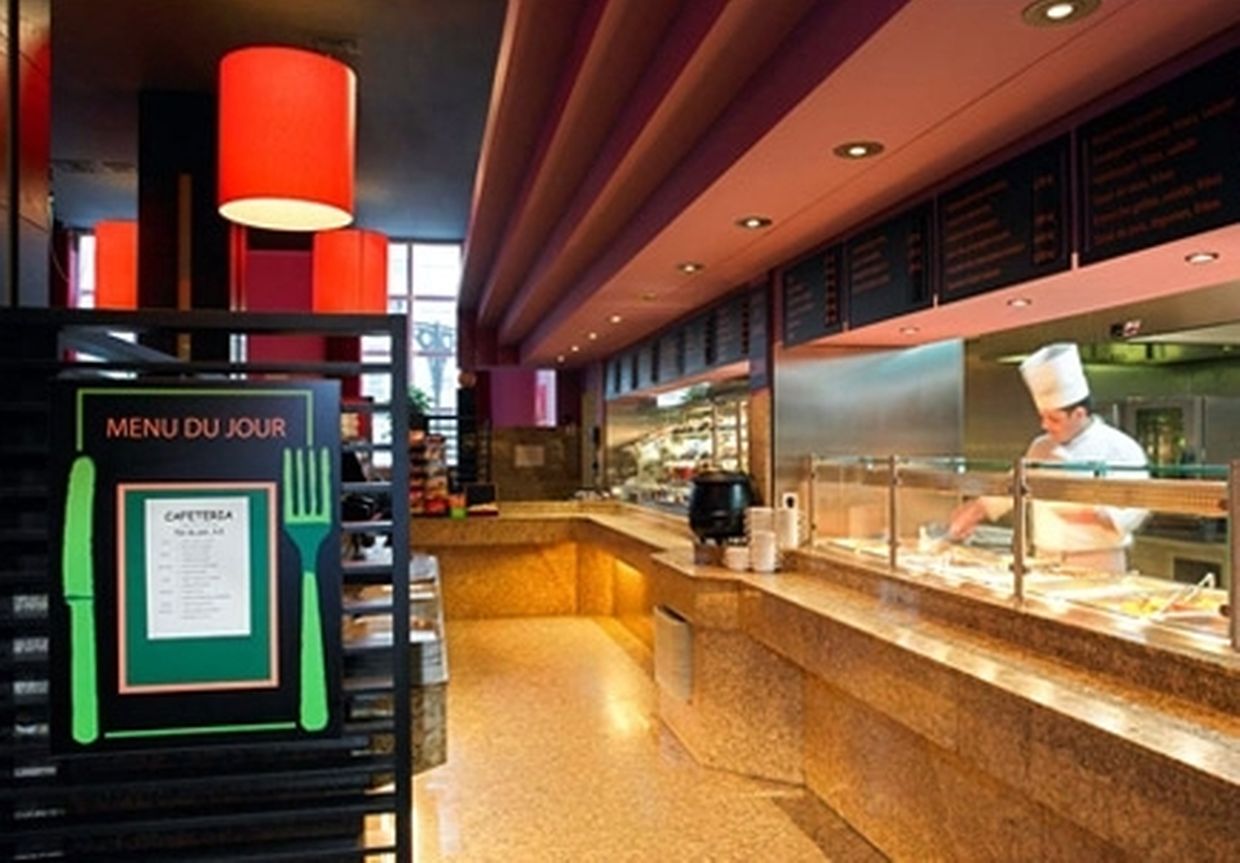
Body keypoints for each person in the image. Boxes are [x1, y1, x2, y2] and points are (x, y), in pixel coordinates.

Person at [948, 342, 1148, 573]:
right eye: (1042, 417)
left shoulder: (1121, 447)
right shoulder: (1040, 447)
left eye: (1054, 419)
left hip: (1097, 560)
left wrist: (1097, 515)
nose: (1045, 425)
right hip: (1044, 559)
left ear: (1079, 414)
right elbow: (1013, 488)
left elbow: (1139, 505)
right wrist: (976, 510)